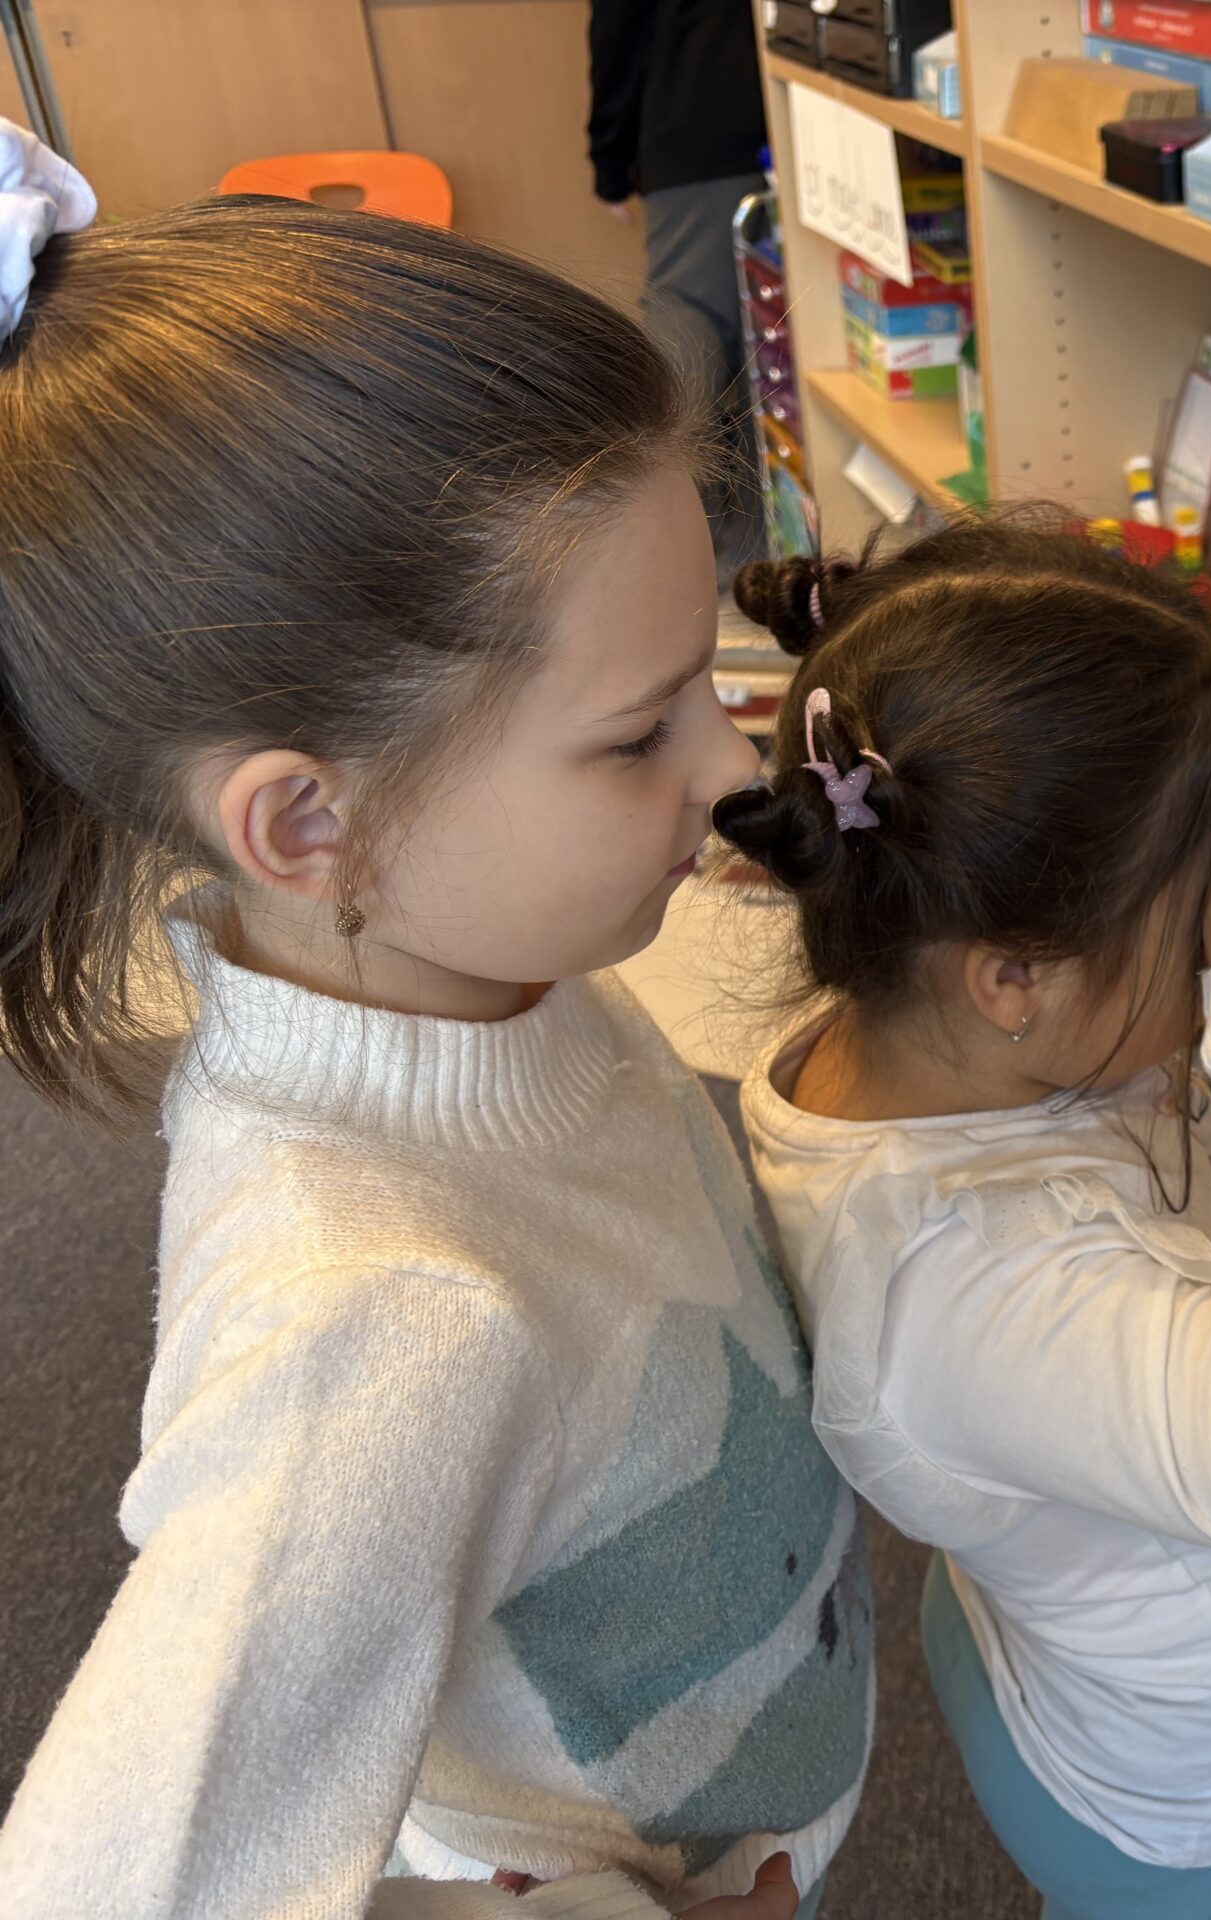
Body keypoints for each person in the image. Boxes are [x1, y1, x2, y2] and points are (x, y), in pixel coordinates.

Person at [0, 128, 867, 1919]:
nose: (731, 762)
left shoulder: (486, 973)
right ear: (310, 825)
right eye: (636, 733)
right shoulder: (380, 1316)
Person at [722, 524, 1211, 1919]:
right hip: (1210, 1809)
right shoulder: (963, 1290)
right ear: (1014, 975)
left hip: (1121, 1642)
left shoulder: (945, 1040)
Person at [588, 0, 770, 573]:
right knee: (768, 346)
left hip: (701, 123)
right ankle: (756, 555)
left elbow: (620, 31)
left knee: (689, 339)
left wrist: (610, 160)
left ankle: (677, 562)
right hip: (805, 116)